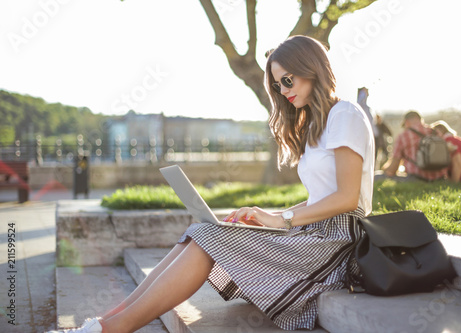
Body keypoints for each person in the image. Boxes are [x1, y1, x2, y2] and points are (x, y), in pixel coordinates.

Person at [48, 35, 374, 333]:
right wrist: (269, 215)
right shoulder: (317, 125)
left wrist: (281, 220)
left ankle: (108, 330)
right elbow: (321, 198)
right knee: (200, 230)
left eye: (287, 80)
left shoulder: (344, 113)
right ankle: (102, 323)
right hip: (314, 233)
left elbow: (346, 198)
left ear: (311, 68)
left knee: (208, 237)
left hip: (337, 243)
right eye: (276, 85)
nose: (283, 90)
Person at [382, 111, 448, 181]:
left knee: (377, 176)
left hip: (416, 178)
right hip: (440, 178)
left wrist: (384, 169)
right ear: (421, 120)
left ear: (406, 122)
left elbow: (392, 170)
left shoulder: (403, 136)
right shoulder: (435, 132)